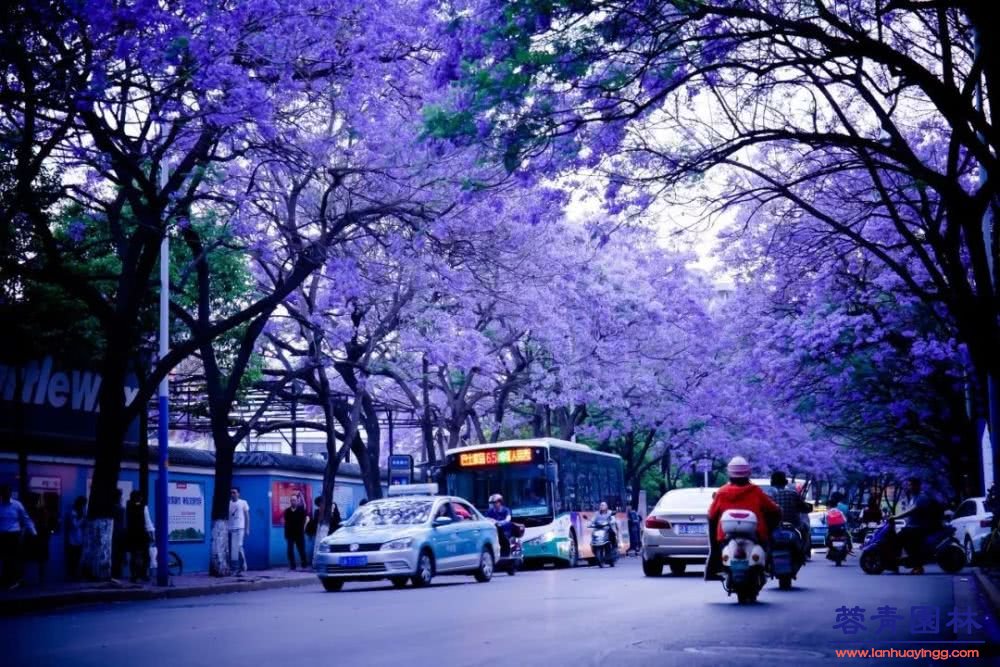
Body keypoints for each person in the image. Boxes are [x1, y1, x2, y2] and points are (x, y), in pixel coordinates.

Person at [705, 457, 780, 581]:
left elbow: (712, 515)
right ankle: (767, 566)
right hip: (756, 534)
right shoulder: (755, 491)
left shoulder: (722, 492)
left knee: (714, 541)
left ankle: (713, 567)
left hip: (725, 535)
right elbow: (773, 509)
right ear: (748, 473)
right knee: (768, 541)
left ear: (729, 474)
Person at [893, 477, 944, 574]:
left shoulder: (922, 498)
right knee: (899, 537)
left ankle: (918, 566)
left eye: (911, 485)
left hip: (920, 528)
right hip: (913, 527)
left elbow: (911, 511)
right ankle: (899, 560)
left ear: (917, 486)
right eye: (908, 485)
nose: (909, 487)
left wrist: (895, 517)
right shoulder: (913, 498)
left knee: (904, 538)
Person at [0, 484, 36, 590]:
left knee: (13, 558)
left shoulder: (17, 505)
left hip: (14, 534)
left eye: (7, 492)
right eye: (4, 493)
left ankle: (13, 580)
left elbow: (25, 518)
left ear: (10, 493)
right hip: (2, 535)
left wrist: (33, 532)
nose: (6, 495)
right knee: (5, 558)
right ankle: (7, 579)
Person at [769, 471, 811, 557]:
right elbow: (803, 507)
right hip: (794, 525)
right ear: (785, 482)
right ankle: (804, 552)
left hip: (774, 526)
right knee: (806, 530)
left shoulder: (768, 495)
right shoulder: (793, 494)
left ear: (772, 482)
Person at [125, 491, 154, 582]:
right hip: (142, 534)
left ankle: (134, 576)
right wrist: (152, 533)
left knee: (134, 556)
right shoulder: (143, 507)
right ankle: (143, 574)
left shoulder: (128, 506)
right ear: (139, 498)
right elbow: (147, 521)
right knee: (145, 556)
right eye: (140, 497)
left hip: (131, 534)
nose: (141, 499)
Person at [25, 493, 52, 585]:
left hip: (37, 538)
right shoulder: (40, 511)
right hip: (39, 538)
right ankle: (40, 580)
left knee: (36, 560)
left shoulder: (34, 511)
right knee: (40, 561)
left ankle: (36, 580)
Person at [64, 496, 87, 581]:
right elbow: (75, 525)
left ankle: (76, 575)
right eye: (83, 504)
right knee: (72, 559)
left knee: (78, 559)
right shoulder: (73, 513)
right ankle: (72, 576)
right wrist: (83, 519)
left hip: (79, 539)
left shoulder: (80, 512)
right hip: (72, 540)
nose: (84, 506)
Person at [228, 487, 250, 574]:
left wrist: (247, 528)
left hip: (240, 527)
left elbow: (247, 516)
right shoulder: (228, 503)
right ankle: (236, 567)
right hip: (230, 528)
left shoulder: (243, 502)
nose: (232, 494)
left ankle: (243, 563)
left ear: (238, 494)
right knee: (233, 549)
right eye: (231, 493)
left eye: (234, 492)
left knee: (239, 545)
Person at [283, 493, 308, 570]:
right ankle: (292, 565)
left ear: (297, 501)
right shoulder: (287, 511)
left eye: (294, 500)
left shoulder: (301, 511)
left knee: (301, 550)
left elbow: (305, 520)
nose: (293, 501)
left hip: (299, 534)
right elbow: (286, 523)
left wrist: (303, 530)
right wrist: (286, 533)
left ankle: (304, 563)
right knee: (289, 550)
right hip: (290, 534)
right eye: (291, 500)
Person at [111, 489, 126, 579]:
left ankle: (114, 573)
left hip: (112, 534)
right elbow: (124, 523)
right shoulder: (121, 509)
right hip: (120, 534)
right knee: (119, 555)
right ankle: (118, 574)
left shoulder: (110, 508)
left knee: (114, 554)